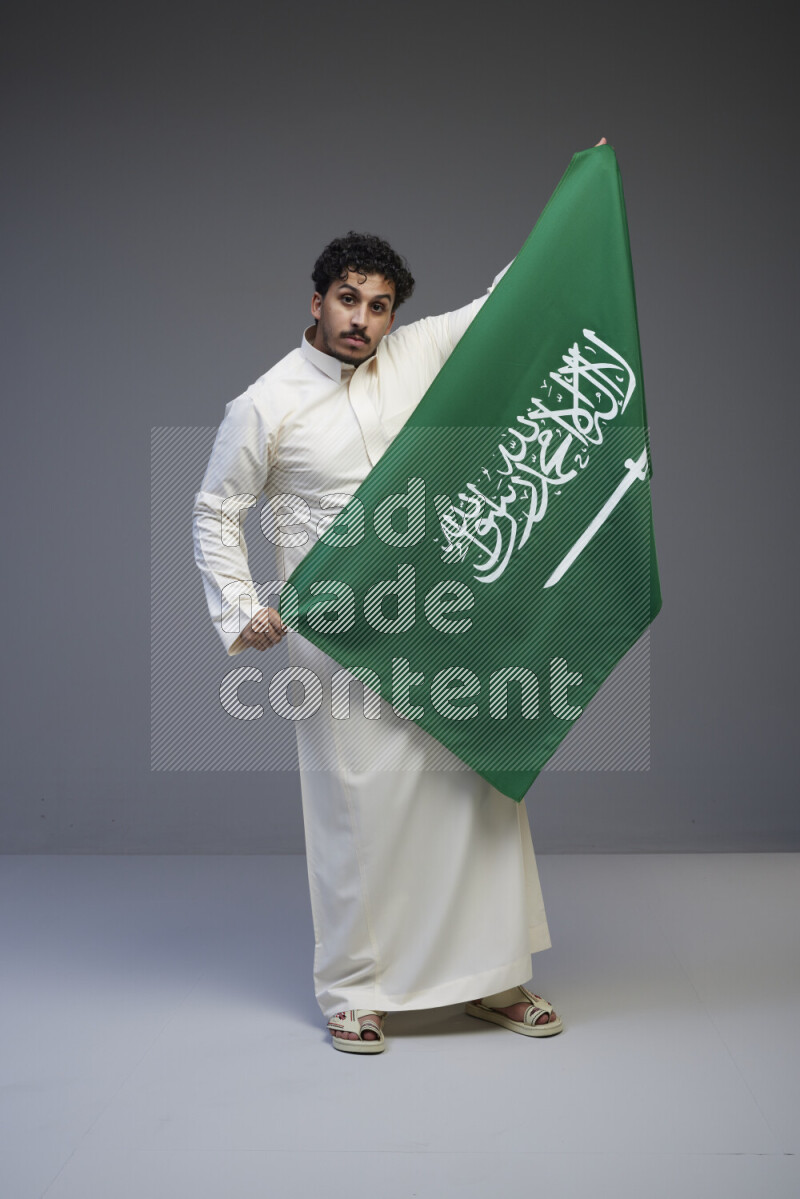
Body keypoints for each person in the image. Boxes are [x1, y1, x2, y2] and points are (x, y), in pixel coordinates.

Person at [193, 227, 568, 1054]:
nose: (362, 319)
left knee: (476, 786)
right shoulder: (267, 401)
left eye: (379, 305)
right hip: (335, 632)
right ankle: (357, 990)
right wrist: (239, 608)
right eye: (348, 300)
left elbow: (504, 301)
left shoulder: (414, 353)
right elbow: (217, 510)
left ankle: (494, 977)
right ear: (317, 300)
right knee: (354, 808)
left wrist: (578, 213)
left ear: (394, 312)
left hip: (439, 608)